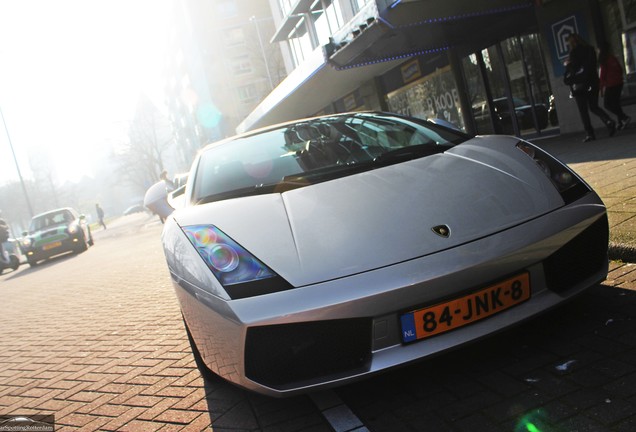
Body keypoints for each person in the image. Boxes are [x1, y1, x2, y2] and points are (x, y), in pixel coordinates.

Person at [564, 33, 616, 142]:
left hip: (580, 85)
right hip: (593, 82)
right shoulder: (590, 49)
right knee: (594, 106)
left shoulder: (574, 53)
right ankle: (608, 121)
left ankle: (590, 133)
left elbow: (574, 69)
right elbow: (593, 65)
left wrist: (568, 64)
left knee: (583, 111)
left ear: (571, 43)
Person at [599, 41, 631, 130]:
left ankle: (624, 117)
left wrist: (601, 88)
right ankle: (621, 122)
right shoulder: (612, 58)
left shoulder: (603, 60)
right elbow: (620, 69)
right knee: (616, 103)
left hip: (611, 84)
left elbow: (603, 75)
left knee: (607, 104)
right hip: (618, 83)